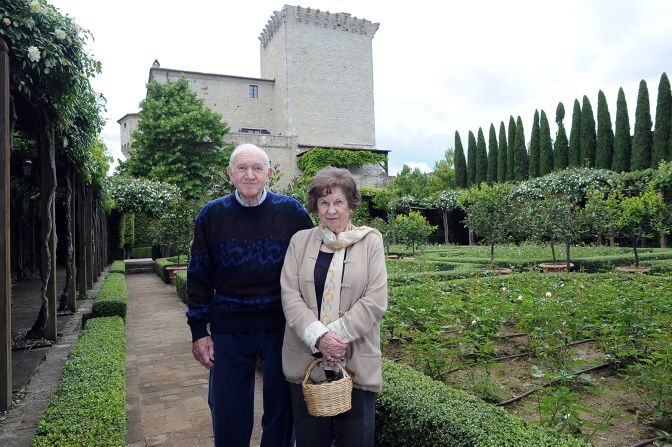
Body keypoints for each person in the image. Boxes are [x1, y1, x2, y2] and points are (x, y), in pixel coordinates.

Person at [186, 143, 313, 447]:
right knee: (227, 408)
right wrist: (198, 332)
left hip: (281, 325)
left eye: (257, 168)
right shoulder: (212, 215)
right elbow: (199, 275)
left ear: (270, 173)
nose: (250, 175)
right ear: (230, 173)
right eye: (242, 168)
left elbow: (311, 264)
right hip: (229, 326)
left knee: (282, 410)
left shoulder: (291, 212)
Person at [280, 167, 388, 447]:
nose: (331, 210)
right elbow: (290, 295)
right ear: (315, 206)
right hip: (306, 361)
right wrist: (319, 337)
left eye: (338, 202)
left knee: (357, 441)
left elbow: (375, 299)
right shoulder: (300, 241)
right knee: (310, 441)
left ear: (351, 204)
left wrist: (335, 338)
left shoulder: (370, 242)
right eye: (324, 203)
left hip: (354, 360)